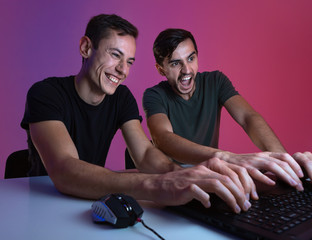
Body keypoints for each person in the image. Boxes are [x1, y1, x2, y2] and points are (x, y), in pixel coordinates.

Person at [21, 14, 253, 213]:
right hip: (44, 204)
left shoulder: (121, 97)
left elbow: (144, 155)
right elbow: (65, 169)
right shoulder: (45, 93)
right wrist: (156, 186)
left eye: (129, 61)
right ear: (86, 47)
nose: (123, 70)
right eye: (115, 55)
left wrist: (179, 176)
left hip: (90, 201)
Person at [143, 28, 312, 199]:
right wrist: (225, 157)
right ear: (161, 69)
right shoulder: (154, 95)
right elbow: (162, 138)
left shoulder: (216, 81)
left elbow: (248, 118)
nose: (187, 70)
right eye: (175, 63)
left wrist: (282, 161)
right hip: (175, 181)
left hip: (214, 174)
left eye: (191, 58)